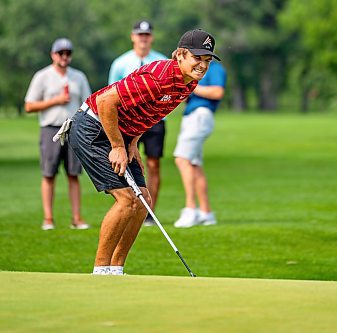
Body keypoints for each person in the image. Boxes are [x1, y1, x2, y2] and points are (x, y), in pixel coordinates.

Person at [62, 29, 220, 275]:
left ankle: (116, 268)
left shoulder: (189, 83)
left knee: (143, 199)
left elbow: (152, 111)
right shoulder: (159, 76)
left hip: (121, 134)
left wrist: (132, 142)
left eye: (207, 60)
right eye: (197, 58)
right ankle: (100, 271)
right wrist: (117, 146)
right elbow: (105, 102)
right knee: (126, 199)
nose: (202, 65)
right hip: (92, 126)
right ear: (180, 54)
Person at [24, 37, 92, 231]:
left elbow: (87, 103)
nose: (64, 57)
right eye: (60, 53)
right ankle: (48, 218)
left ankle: (77, 218)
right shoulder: (42, 76)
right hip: (50, 129)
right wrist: (56, 100)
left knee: (73, 174)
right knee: (49, 174)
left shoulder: (78, 76)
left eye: (67, 53)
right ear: (53, 54)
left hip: (73, 130)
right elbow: (29, 105)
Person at [108, 20, 168, 227]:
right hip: (128, 122)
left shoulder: (161, 61)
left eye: (147, 35)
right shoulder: (120, 63)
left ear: (151, 37)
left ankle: (149, 213)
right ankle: (128, 206)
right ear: (133, 37)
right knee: (125, 164)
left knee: (153, 164)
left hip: (155, 121)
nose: (143, 38)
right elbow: (109, 95)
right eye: (139, 35)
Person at [173, 61, 227, 228]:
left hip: (200, 115)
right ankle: (206, 212)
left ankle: (190, 209)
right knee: (195, 164)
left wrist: (192, 86)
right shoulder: (195, 69)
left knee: (182, 159)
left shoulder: (215, 68)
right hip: (192, 115)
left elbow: (218, 92)